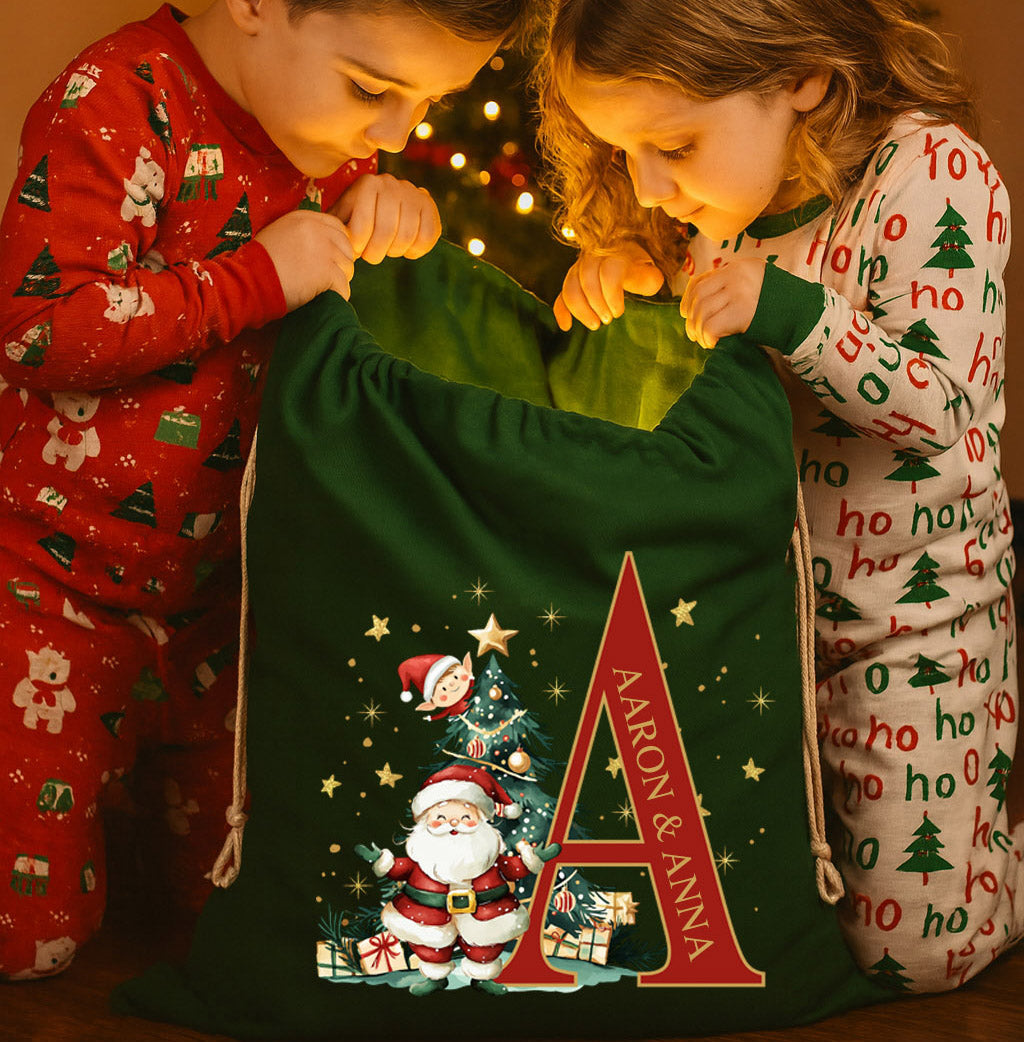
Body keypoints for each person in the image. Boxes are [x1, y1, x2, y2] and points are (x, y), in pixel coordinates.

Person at [0, 0, 539, 980]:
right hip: (54, 590)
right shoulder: (118, 100)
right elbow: (41, 327)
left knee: (245, 920)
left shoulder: (327, 132)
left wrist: (387, 199)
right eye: (376, 89)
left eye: (424, 101)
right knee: (30, 944)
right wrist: (253, 278)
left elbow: (345, 230)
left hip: (227, 609)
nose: (393, 129)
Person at [536, 0, 1020, 992]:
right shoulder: (713, 212)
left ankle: (994, 869)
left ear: (799, 76)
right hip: (747, 613)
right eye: (625, 150)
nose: (647, 183)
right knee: (718, 917)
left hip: (911, 618)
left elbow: (939, 403)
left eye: (672, 144)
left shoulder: (934, 176)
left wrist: (785, 309)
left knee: (917, 954)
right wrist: (623, 279)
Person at [355, 765, 560, 996]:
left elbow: (512, 868)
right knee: (430, 946)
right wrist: (383, 861)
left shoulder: (488, 855)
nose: (453, 823)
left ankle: (482, 978)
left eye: (465, 817)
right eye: (441, 818)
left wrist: (533, 859)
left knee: (486, 945)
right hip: (429, 912)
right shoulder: (423, 855)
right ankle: (435, 977)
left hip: (485, 912)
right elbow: (400, 868)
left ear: (481, 820)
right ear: (425, 820)